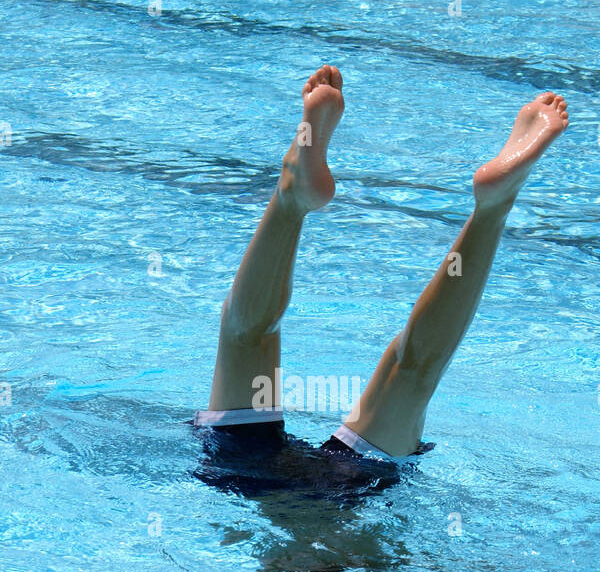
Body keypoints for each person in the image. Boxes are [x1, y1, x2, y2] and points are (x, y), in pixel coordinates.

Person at [196, 64, 568, 465]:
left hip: (271, 476)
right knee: (250, 336)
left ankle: (490, 209)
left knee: (414, 372)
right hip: (310, 478)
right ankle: (291, 198)